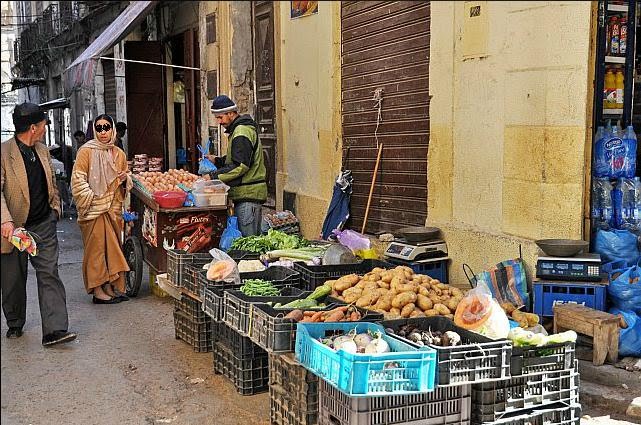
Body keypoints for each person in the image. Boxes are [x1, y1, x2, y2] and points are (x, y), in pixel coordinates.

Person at [0, 102, 77, 346]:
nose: (45, 128)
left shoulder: (42, 151)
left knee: (49, 273)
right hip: (14, 227)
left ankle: (55, 330)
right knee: (12, 279)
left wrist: (55, 209)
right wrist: (6, 221)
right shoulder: (4, 153)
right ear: (33, 127)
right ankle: (15, 321)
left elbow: (51, 182)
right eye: (43, 123)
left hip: (43, 223)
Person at [71, 114, 132, 304]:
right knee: (96, 250)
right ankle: (97, 290)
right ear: (95, 131)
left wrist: (125, 180)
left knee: (113, 249)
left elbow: (124, 179)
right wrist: (93, 199)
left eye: (106, 127)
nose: (103, 132)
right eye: (99, 128)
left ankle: (109, 286)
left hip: (113, 210)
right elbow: (78, 179)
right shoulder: (86, 151)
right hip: (93, 210)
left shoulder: (120, 154)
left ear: (112, 129)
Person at [203, 95, 267, 236]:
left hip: (248, 196)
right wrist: (218, 161)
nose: (218, 122)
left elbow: (240, 165)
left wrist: (213, 176)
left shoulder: (241, 132)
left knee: (248, 244)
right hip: (245, 195)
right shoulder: (239, 130)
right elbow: (238, 158)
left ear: (231, 113)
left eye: (220, 117)